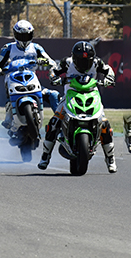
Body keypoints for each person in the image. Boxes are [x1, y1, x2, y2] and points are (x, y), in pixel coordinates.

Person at [38, 41, 117, 173]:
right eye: (80, 61)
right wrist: (55, 79)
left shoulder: (97, 63)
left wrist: (109, 79)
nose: (84, 64)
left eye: (87, 61)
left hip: (92, 94)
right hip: (70, 95)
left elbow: (108, 70)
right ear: (74, 58)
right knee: (54, 122)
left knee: (104, 123)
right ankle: (45, 156)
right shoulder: (67, 62)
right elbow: (53, 71)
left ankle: (110, 158)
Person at [0, 20, 60, 128]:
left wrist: (46, 62)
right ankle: (9, 117)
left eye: (27, 36)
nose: (24, 39)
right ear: (15, 35)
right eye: (21, 36)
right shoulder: (8, 48)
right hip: (13, 81)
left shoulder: (36, 47)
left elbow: (52, 62)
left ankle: (59, 120)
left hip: (32, 81)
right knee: (10, 95)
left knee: (53, 95)